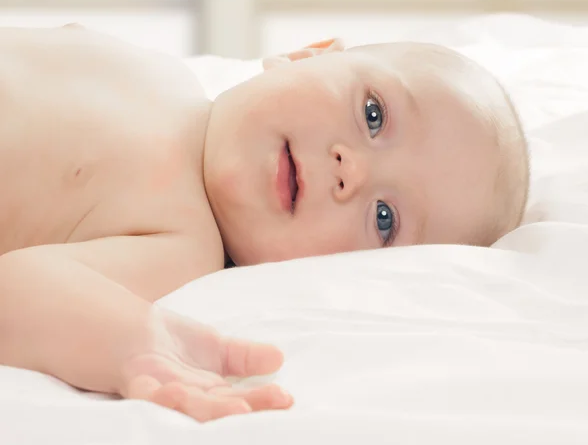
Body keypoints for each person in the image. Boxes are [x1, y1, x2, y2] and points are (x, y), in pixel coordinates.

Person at [0, 24, 529, 423]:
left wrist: (127, 344)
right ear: (306, 55)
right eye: (374, 114)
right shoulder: (161, 70)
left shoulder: (182, 243)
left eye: (384, 218)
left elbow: (19, 291)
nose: (354, 172)